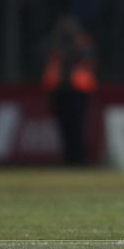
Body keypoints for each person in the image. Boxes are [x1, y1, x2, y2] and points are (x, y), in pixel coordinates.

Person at [41, 16, 98, 165]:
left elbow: (87, 57)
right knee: (64, 126)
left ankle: (79, 159)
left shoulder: (82, 42)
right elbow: (43, 55)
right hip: (60, 90)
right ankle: (68, 159)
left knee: (77, 126)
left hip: (78, 91)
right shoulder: (54, 43)